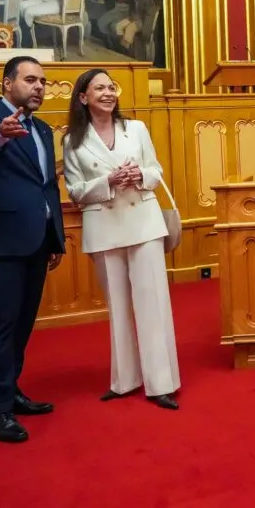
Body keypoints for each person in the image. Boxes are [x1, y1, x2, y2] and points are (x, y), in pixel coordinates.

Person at [0, 57, 65, 443]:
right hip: (0, 240)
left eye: (43, 82)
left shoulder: (44, 129)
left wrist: (56, 237)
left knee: (22, 324)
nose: (39, 87)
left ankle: (11, 389)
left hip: (37, 239)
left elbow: (46, 185)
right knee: (0, 325)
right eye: (31, 80)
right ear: (6, 84)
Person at [63, 69, 180, 410]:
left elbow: (156, 171)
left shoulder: (137, 129)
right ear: (83, 98)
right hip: (104, 225)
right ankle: (125, 380)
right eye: (99, 88)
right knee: (117, 305)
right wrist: (108, 181)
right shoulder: (72, 140)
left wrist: (140, 175)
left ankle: (161, 383)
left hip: (143, 221)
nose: (108, 93)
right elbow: (74, 191)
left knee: (152, 302)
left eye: (111, 87)